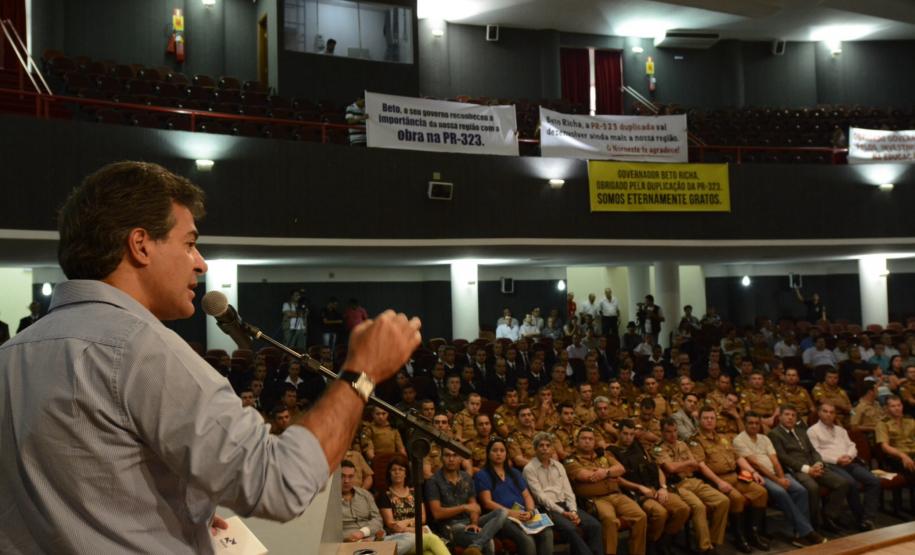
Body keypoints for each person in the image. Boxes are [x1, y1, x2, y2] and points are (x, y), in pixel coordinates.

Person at [0, 161, 422, 554]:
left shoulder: (10, 356)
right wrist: (361, 373)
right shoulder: (142, 351)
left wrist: (181, 510)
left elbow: (80, 490)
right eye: (189, 244)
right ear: (141, 245)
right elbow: (282, 483)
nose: (200, 264)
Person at [733, 412, 825, 547]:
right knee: (781, 492)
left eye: (757, 423)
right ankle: (807, 532)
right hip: (760, 476)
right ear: (745, 424)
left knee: (801, 490)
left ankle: (799, 535)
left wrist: (781, 477)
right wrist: (778, 481)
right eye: (750, 423)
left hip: (776, 474)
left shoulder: (764, 438)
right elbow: (756, 465)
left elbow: (775, 461)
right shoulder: (739, 440)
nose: (754, 426)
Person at [690, 405, 768, 553]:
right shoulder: (695, 441)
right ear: (699, 420)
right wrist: (719, 482)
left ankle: (753, 534)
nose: (709, 421)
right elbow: (701, 466)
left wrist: (753, 472)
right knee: (737, 498)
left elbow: (738, 458)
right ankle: (739, 538)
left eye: (712, 418)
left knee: (761, 492)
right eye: (705, 418)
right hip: (715, 479)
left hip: (735, 476)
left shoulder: (723, 438)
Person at [564, 427, 647, 555]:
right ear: (577, 442)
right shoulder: (571, 460)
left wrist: (605, 472)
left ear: (594, 442)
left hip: (617, 495)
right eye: (584, 438)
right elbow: (585, 476)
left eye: (590, 439)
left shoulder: (604, 455)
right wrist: (609, 473)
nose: (587, 441)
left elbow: (621, 469)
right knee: (610, 520)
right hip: (596, 499)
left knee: (640, 516)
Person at [612, 420, 689, 555]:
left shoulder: (638, 446)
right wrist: (639, 487)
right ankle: (651, 544)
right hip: (635, 493)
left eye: (631, 434)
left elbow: (656, 467)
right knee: (660, 513)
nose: (629, 437)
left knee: (682, 508)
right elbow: (618, 479)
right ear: (618, 433)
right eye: (625, 434)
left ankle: (663, 541)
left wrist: (663, 487)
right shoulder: (612, 451)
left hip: (654, 487)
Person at [768, 405, 849, 532]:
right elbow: (783, 457)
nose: (790, 418)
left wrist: (818, 463)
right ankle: (813, 525)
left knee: (842, 483)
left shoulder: (801, 431)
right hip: (797, 469)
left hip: (814, 466)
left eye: (793, 415)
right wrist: (807, 469)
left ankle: (828, 516)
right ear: (780, 417)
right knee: (812, 488)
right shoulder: (774, 434)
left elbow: (813, 451)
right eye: (787, 414)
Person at [655, 418, 729, 555]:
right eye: (668, 432)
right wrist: (686, 463)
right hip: (676, 485)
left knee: (723, 501)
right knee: (698, 506)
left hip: (692, 480)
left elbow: (695, 465)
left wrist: (682, 465)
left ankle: (713, 542)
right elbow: (670, 468)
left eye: (675, 431)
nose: (673, 434)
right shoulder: (658, 448)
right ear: (662, 432)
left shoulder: (682, 444)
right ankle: (705, 548)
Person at [524, 432, 603, 555]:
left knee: (595, 525)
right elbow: (540, 497)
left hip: (566, 505)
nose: (545, 448)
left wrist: (573, 511)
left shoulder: (559, 466)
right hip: (547, 509)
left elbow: (568, 492)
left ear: (552, 449)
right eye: (541, 445)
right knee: (571, 529)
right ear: (535, 448)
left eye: (548, 445)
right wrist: (563, 513)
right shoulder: (529, 469)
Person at [806, 402, 880, 531]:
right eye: (825, 411)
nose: (828, 414)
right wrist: (837, 460)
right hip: (831, 464)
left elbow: (852, 446)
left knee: (874, 481)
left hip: (848, 462)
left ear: (835, 415)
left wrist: (849, 456)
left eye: (831, 412)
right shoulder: (812, 431)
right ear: (819, 413)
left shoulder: (841, 430)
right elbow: (815, 453)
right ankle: (860, 518)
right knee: (851, 483)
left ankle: (867, 518)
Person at [475, 438, 555, 555]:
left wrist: (530, 512)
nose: (498, 453)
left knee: (547, 533)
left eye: (502, 450)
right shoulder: (482, 475)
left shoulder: (514, 473)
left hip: (523, 515)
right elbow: (487, 503)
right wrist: (512, 513)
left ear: (506, 454)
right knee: (527, 540)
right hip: (503, 518)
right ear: (488, 453)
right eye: (495, 450)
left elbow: (527, 496)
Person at [426, 448, 507, 555]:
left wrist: (474, 523)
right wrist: (464, 507)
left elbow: (474, 507)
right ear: (441, 458)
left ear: (460, 459)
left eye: (455, 455)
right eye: (447, 455)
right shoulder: (433, 481)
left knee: (502, 512)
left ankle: (476, 546)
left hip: (469, 521)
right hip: (450, 527)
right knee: (489, 542)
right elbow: (437, 513)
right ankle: (480, 543)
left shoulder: (466, 477)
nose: (451, 459)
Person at [377, 457, 450, 555]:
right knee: (432, 539)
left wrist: (406, 522)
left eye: (401, 469)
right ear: (389, 473)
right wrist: (413, 530)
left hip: (417, 533)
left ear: (406, 473)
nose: (397, 472)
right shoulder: (385, 495)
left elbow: (423, 518)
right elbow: (392, 525)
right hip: (399, 538)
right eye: (393, 470)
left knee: (429, 554)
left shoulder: (415, 492)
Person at [341, 460, 385, 543]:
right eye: (342, 476)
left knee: (408, 538)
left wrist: (363, 532)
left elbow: (377, 519)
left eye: (350, 476)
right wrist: (350, 539)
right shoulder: (330, 501)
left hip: (373, 537)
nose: (346, 481)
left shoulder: (365, 494)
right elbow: (329, 529)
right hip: (348, 541)